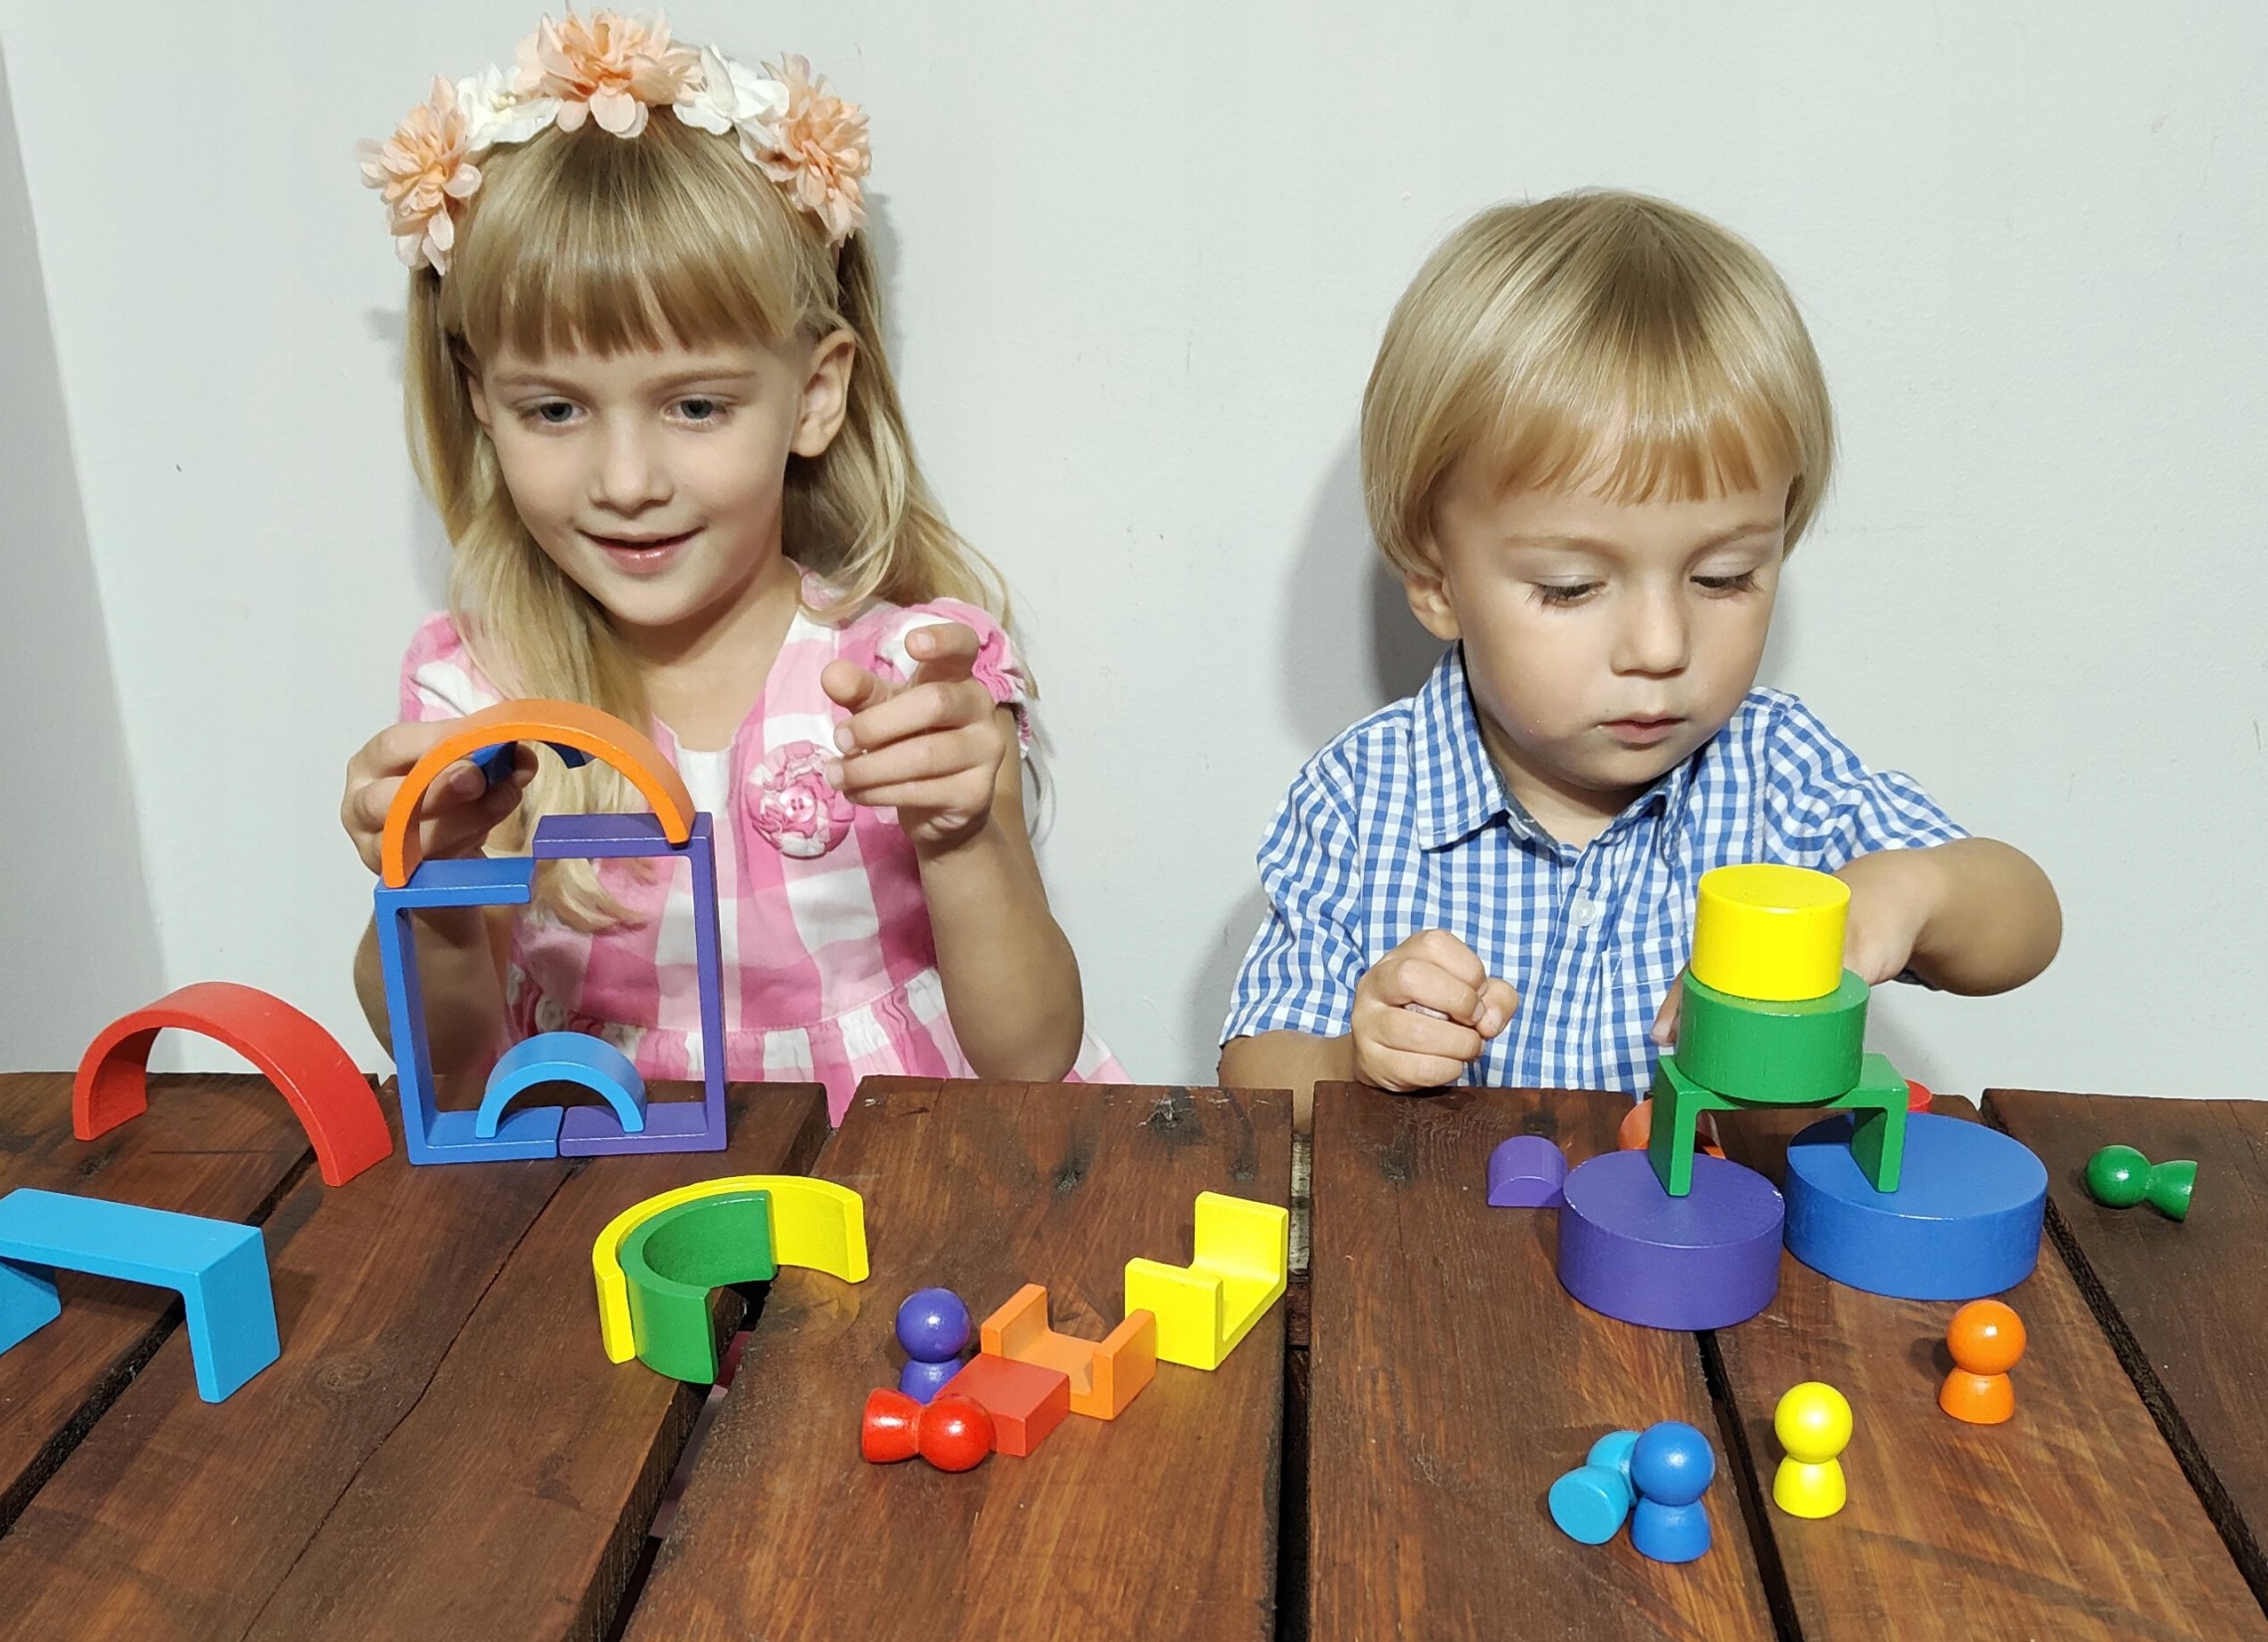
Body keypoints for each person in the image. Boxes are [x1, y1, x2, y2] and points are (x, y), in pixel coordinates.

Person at [339, 11, 1119, 1118]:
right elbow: (451, 1061)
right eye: (554, 409)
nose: (625, 481)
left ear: (814, 395)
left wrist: (964, 835)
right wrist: (426, 887)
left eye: (695, 406)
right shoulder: (478, 699)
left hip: (880, 1160)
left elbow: (1032, 1056)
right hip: (598, 1161)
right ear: (482, 404)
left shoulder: (905, 676)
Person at [1220, 190, 2060, 1118]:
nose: (1661, 647)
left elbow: (2024, 922)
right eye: (1572, 587)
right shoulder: (1362, 797)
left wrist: (1910, 890)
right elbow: (1254, 1071)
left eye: (1724, 577)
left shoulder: (1776, 769)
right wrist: (1356, 1057)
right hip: (1450, 1215)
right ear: (1437, 582)